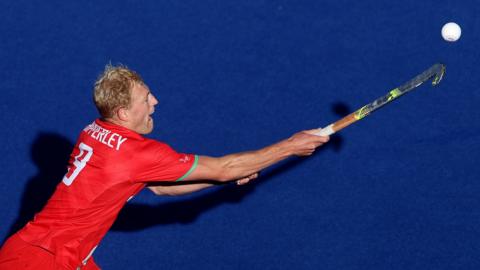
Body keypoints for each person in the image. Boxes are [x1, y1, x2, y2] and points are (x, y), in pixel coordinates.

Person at [0, 65, 329, 270]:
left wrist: (218, 181)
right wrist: (291, 145)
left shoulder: (94, 131)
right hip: (43, 261)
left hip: (49, 253)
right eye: (146, 99)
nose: (155, 101)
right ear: (123, 113)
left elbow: (159, 185)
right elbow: (225, 167)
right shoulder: (133, 153)